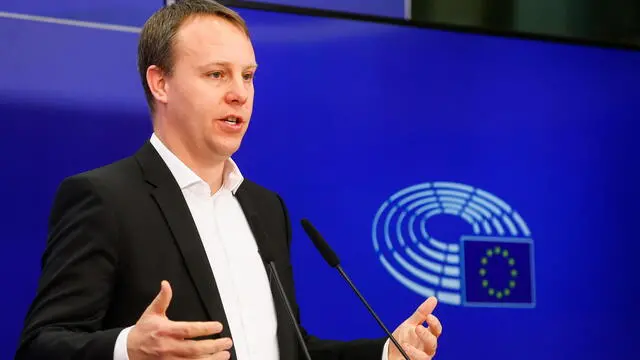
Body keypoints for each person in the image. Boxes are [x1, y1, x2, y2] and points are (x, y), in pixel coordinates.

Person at [15, 1, 443, 359]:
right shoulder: (105, 199)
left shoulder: (265, 208)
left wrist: (387, 352)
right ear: (160, 83)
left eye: (248, 75)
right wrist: (129, 347)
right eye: (216, 74)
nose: (239, 92)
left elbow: (288, 349)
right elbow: (40, 345)